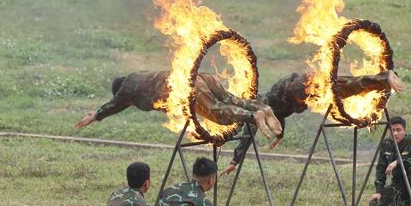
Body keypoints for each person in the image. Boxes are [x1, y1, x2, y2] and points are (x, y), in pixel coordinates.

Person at [221, 70, 406, 175]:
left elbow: (248, 133)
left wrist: (235, 160)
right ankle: (382, 79)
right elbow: (279, 117)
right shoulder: (271, 108)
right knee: (343, 87)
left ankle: (384, 78)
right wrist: (280, 134)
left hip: (298, 86)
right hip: (299, 88)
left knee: (341, 87)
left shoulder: (261, 108)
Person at [74, 70, 281, 140]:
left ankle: (252, 116)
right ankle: (261, 108)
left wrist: (96, 116)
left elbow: (115, 104)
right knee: (231, 100)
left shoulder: (130, 84)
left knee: (218, 113)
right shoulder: (145, 81)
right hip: (202, 77)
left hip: (189, 86)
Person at [367, 116, 411, 206]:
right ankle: (403, 202)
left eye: (399, 130)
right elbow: (381, 168)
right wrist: (378, 191)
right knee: (377, 205)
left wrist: (398, 162)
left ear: (404, 130)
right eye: (393, 130)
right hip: (399, 183)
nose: (395, 133)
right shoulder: (386, 144)